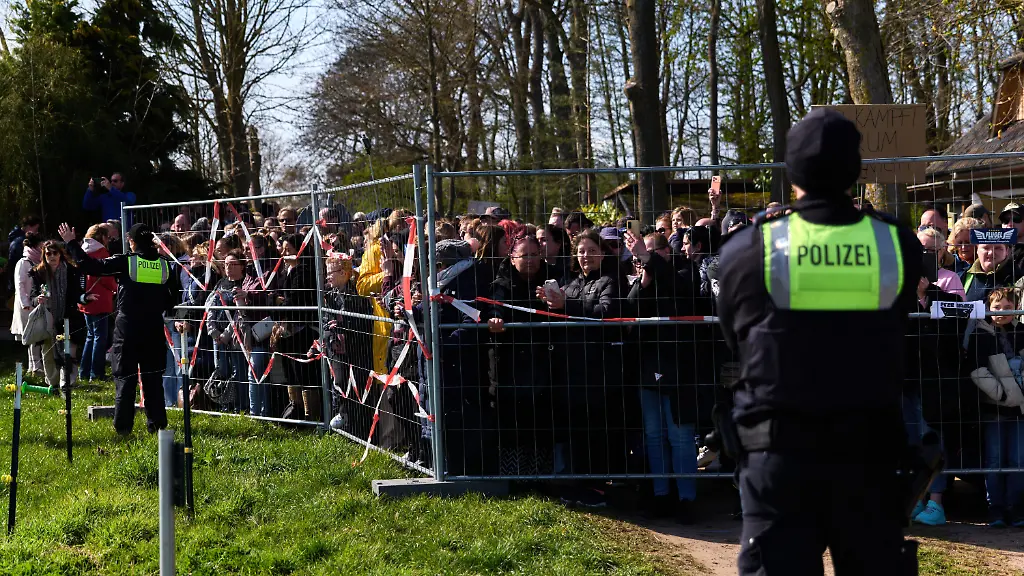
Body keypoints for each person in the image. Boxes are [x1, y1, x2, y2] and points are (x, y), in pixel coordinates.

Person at [716, 108, 921, 574]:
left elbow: (736, 337)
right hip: (868, 459)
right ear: (855, 171)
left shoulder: (749, 250)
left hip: (779, 459)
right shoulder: (897, 246)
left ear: (790, 172)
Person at [59, 221, 180, 435]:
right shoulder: (164, 264)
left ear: (131, 242)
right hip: (153, 326)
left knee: (125, 377)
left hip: (128, 327)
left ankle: (123, 428)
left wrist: (71, 243)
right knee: (152, 378)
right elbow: (173, 298)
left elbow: (91, 267)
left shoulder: (127, 262)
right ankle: (158, 425)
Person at [625, 230, 699, 522]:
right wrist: (644, 277)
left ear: (668, 252)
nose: (645, 257)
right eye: (640, 254)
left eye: (653, 251)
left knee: (680, 437)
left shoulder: (686, 272)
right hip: (646, 369)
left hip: (680, 368)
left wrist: (650, 261)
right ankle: (661, 495)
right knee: (654, 436)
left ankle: (686, 498)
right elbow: (630, 308)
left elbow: (682, 290)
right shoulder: (645, 277)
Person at [964, 287, 1024, 527]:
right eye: (996, 307)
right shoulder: (981, 335)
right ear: (988, 308)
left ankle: (1016, 508)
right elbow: (978, 371)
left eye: (1008, 307)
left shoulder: (1022, 333)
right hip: (995, 408)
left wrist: (1019, 394)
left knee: (1018, 459)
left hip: (1020, 409)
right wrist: (1002, 395)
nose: (1002, 312)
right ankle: (996, 508)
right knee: (994, 459)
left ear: (1017, 308)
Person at [30, 241, 89, 390]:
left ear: (60, 254)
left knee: (68, 351)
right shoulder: (38, 272)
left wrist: (84, 298)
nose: (52, 256)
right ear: (44, 255)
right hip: (47, 317)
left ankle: (67, 383)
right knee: (48, 352)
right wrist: (38, 299)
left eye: (55, 253)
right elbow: (33, 295)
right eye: (48, 253)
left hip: (68, 316)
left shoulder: (70, 270)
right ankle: (53, 383)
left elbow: (77, 292)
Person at [78, 225, 117, 381]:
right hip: (100, 299)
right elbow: (107, 277)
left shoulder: (83, 250)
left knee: (90, 336)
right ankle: (96, 373)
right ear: (101, 237)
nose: (108, 240)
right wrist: (116, 288)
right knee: (100, 337)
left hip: (86, 299)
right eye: (107, 236)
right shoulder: (101, 252)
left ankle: (84, 371)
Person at [11, 235, 43, 376]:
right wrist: (25, 303)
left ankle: (35, 366)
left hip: (37, 302)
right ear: (35, 246)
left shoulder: (38, 262)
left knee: (37, 334)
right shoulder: (24, 262)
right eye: (41, 246)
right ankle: (34, 366)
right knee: (32, 335)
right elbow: (20, 285)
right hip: (26, 305)